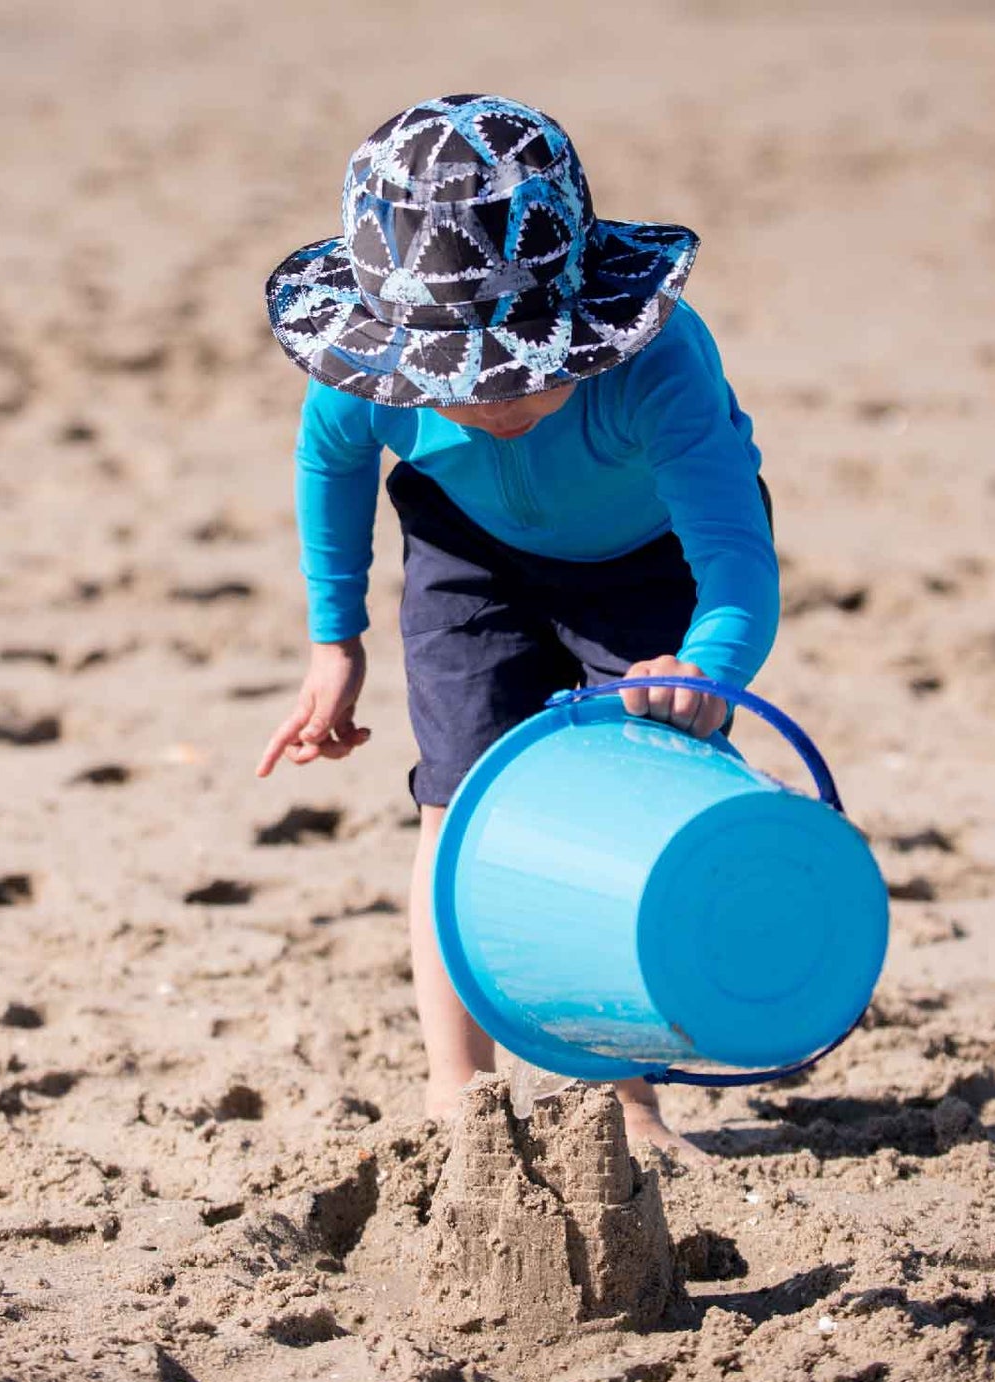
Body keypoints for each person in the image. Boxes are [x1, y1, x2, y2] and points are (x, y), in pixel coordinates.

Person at [255, 95, 779, 1155]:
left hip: (647, 566)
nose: (483, 399)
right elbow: (332, 463)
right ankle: (456, 1094)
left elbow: (734, 558)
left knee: (626, 816)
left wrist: (702, 667)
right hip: (466, 553)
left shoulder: (662, 364)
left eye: (518, 367)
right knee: (453, 801)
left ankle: (627, 1101)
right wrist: (333, 639)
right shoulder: (368, 375)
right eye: (451, 378)